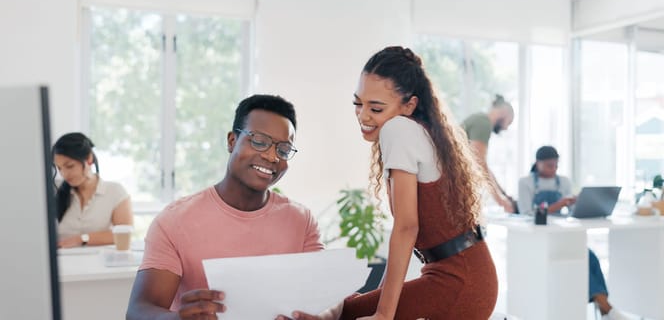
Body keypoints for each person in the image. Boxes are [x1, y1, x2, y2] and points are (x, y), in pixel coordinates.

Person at [284, 46, 498, 320]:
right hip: (467, 276)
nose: (363, 115)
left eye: (375, 108)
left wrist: (384, 314)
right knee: (345, 311)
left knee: (343, 314)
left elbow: (407, 227)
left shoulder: (399, 129)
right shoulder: (422, 130)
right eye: (357, 104)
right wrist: (380, 305)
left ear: (409, 105)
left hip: (458, 282)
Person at [126, 94, 324, 320]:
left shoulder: (302, 220)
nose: (271, 156)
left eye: (283, 149)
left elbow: (325, 297)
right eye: (259, 141)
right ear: (232, 141)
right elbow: (138, 311)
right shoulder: (175, 220)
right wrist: (178, 318)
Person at [518, 145, 629, 320]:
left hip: (562, 235)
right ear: (537, 164)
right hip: (539, 240)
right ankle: (607, 309)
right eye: (549, 165)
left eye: (555, 165)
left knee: (590, 257)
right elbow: (526, 213)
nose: (553, 169)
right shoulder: (525, 183)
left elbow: (569, 213)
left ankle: (605, 308)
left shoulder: (564, 182)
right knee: (581, 261)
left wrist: (578, 204)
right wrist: (558, 205)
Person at [52, 132, 133, 248]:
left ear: (89, 159)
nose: (64, 174)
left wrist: (81, 239)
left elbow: (125, 234)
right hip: (60, 262)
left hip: (99, 262)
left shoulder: (115, 191)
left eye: (70, 166)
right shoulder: (54, 190)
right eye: (59, 168)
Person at [461, 95, 516, 213]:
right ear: (504, 112)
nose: (506, 128)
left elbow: (483, 165)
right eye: (509, 122)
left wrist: (502, 193)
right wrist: (501, 201)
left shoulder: (479, 119)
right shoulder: (483, 122)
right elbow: (479, 162)